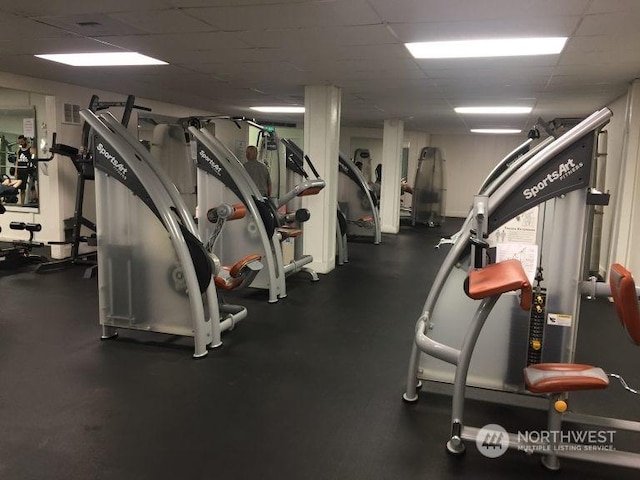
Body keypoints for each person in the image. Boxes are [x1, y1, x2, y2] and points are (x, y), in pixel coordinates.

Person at [15, 135, 35, 204]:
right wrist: (16, 172)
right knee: (21, 188)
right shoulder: (19, 150)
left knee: (30, 186)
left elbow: (34, 158)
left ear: (25, 141)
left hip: (27, 170)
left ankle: (32, 199)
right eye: (19, 142)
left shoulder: (30, 149)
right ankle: (22, 203)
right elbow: (17, 161)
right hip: (20, 170)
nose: (21, 143)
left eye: (22, 142)